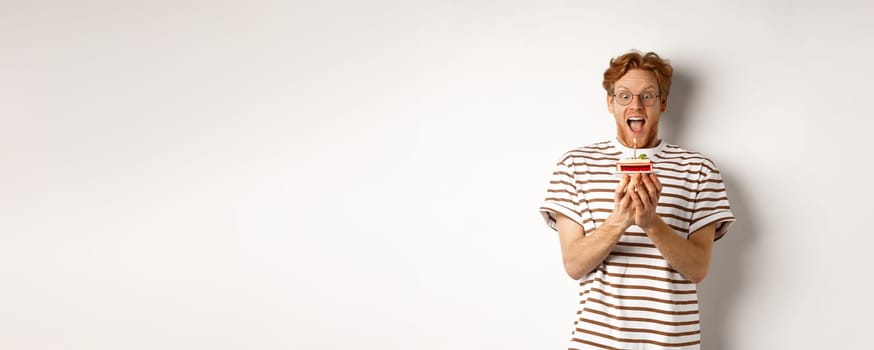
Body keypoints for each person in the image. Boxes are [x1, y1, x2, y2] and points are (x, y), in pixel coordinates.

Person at [539, 50, 735, 349]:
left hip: (672, 343)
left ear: (663, 103)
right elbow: (574, 264)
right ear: (610, 103)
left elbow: (697, 269)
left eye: (647, 96)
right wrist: (620, 220)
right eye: (624, 96)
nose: (636, 105)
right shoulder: (575, 165)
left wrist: (651, 223)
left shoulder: (699, 169)